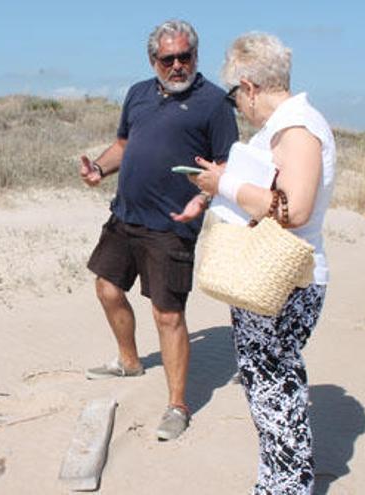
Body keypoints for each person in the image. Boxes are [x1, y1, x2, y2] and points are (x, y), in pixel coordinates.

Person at [179, 32, 336, 494]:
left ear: (248, 86)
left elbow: (295, 209)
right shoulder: (287, 127)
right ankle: (277, 485)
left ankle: (286, 488)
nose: (238, 107)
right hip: (277, 276)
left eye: (234, 96)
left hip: (286, 279)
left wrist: (224, 186)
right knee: (268, 386)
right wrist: (226, 179)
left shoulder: (298, 128)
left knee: (274, 388)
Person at [79, 19, 238, 441]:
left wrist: (201, 201)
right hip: (125, 214)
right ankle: (129, 361)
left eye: (185, 56)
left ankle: (177, 405)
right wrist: (99, 167)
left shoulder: (215, 104)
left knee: (168, 315)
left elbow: (226, 168)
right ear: (154, 61)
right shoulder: (137, 94)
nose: (178, 65)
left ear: (196, 57)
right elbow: (123, 146)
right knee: (107, 288)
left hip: (172, 225)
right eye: (168, 59)